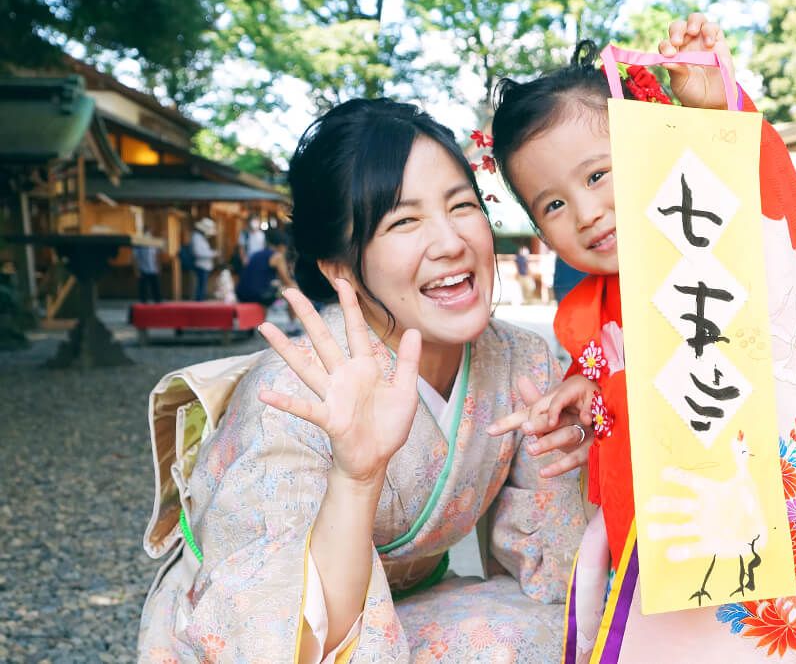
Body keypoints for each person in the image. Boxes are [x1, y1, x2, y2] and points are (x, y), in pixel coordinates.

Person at [487, 15, 796, 662]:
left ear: (652, 149)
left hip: (775, 540)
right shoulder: (589, 310)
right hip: (673, 549)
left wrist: (716, 112)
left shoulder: (729, 244)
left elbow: (766, 194)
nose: (584, 212)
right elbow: (619, 385)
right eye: (551, 205)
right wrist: (588, 393)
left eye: (598, 175)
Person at [137, 98, 590, 662]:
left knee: (569, 631)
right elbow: (279, 632)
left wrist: (580, 461)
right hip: (267, 631)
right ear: (339, 266)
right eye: (404, 221)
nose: (451, 242)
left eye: (462, 206)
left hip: (412, 609)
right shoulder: (294, 393)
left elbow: (559, 579)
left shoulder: (523, 362)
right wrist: (357, 476)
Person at [235, 228, 296, 306]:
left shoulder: (257, 254)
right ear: (281, 246)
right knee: (292, 288)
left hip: (241, 294)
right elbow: (287, 281)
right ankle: (293, 318)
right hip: (257, 295)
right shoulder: (277, 256)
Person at [190, 217, 217, 301]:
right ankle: (199, 300)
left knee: (202, 284)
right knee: (201, 284)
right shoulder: (196, 237)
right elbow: (198, 252)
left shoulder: (201, 237)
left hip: (205, 265)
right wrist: (212, 253)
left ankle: (200, 299)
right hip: (201, 264)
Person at [133, 232, 162, 303]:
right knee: (143, 288)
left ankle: (157, 301)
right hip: (143, 269)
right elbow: (135, 258)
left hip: (153, 269)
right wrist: (136, 270)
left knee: (155, 287)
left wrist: (158, 267)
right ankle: (144, 302)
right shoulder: (139, 246)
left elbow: (156, 257)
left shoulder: (153, 246)